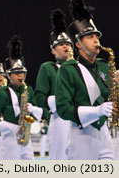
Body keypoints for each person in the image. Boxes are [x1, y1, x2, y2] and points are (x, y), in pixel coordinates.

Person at [55, 0, 116, 159]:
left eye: (97, 36)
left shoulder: (104, 65)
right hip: (81, 135)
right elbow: (63, 109)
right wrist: (97, 111)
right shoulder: (68, 70)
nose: (96, 41)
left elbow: (110, 99)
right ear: (77, 43)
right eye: (90, 37)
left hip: (104, 132)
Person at [0, 35, 43, 160]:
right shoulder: (2, 92)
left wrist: (33, 109)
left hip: (27, 139)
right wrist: (10, 127)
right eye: (17, 73)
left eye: (22, 73)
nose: (21, 76)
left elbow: (41, 113)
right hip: (9, 140)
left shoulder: (28, 89)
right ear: (8, 75)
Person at [34, 9, 72, 159]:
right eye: (61, 44)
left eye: (68, 43)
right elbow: (39, 98)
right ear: (52, 50)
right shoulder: (47, 68)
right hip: (59, 118)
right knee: (60, 161)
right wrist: (58, 102)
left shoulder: (79, 68)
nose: (65, 46)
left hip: (79, 119)